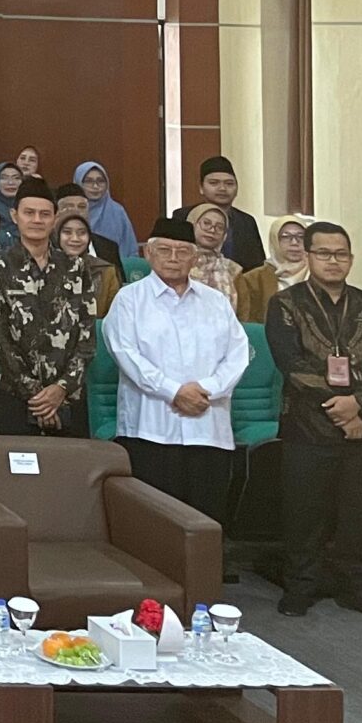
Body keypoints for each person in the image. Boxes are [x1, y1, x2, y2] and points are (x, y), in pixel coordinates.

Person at [262, 222, 362, 620]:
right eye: (323, 253)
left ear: (351, 259)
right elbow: (292, 365)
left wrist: (357, 403)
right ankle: (300, 585)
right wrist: (339, 408)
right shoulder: (286, 304)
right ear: (308, 256)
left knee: (361, 513)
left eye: (341, 254)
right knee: (304, 513)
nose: (333, 261)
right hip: (307, 426)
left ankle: (356, 587)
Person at [100, 216, 249, 524]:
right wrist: (174, 391)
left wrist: (206, 389)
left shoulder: (216, 302)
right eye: (164, 250)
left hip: (208, 429)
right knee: (152, 523)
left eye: (182, 251)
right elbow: (126, 354)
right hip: (150, 429)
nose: (173, 258)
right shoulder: (129, 299)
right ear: (148, 253)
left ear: (194, 257)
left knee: (206, 523)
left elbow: (238, 355)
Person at [0, 187, 96, 437]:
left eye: (44, 214)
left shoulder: (75, 266)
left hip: (69, 396)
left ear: (55, 218)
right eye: (29, 213)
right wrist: (38, 397)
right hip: (15, 396)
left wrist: (60, 389)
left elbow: (87, 338)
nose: (37, 220)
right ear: (14, 216)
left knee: (73, 463)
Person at [194, 156, 266, 269]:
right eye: (214, 183)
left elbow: (257, 266)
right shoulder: (183, 216)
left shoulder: (247, 222)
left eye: (229, 183)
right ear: (201, 188)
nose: (222, 188)